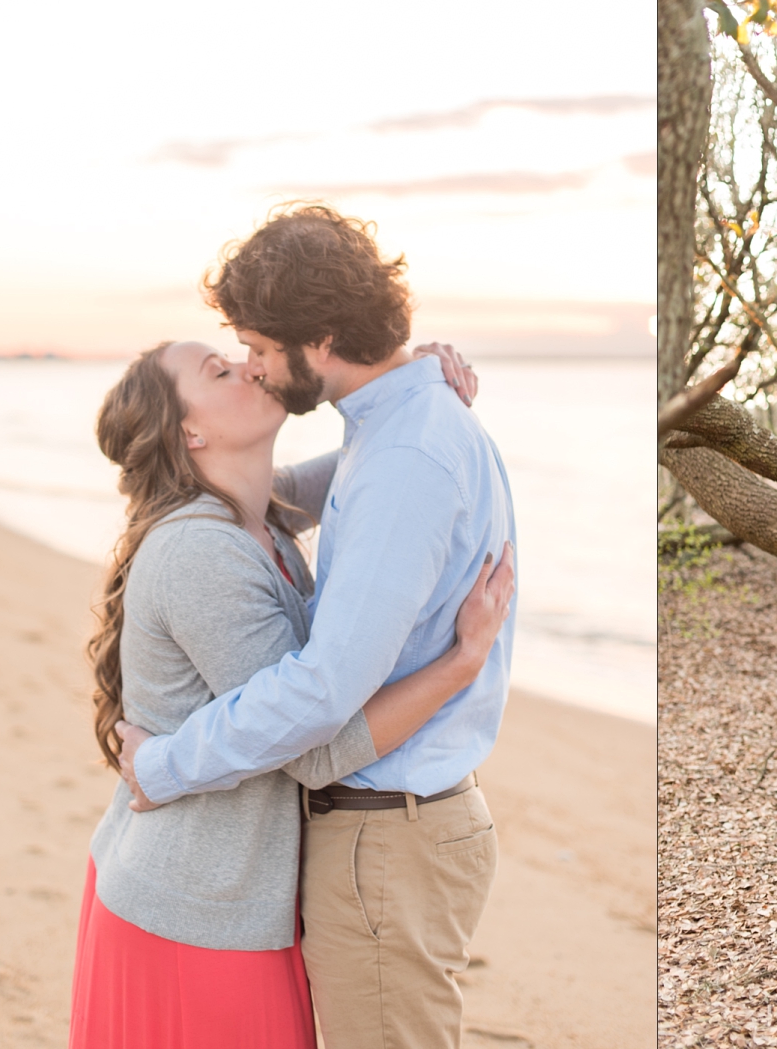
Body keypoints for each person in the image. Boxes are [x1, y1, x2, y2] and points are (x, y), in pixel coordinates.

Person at [116, 204, 518, 1048]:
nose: (256, 369)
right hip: (386, 829)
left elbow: (322, 694)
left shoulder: (404, 452)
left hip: (389, 833)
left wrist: (162, 761)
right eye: (236, 361)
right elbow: (277, 500)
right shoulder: (389, 434)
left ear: (324, 340)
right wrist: (423, 372)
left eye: (260, 350)